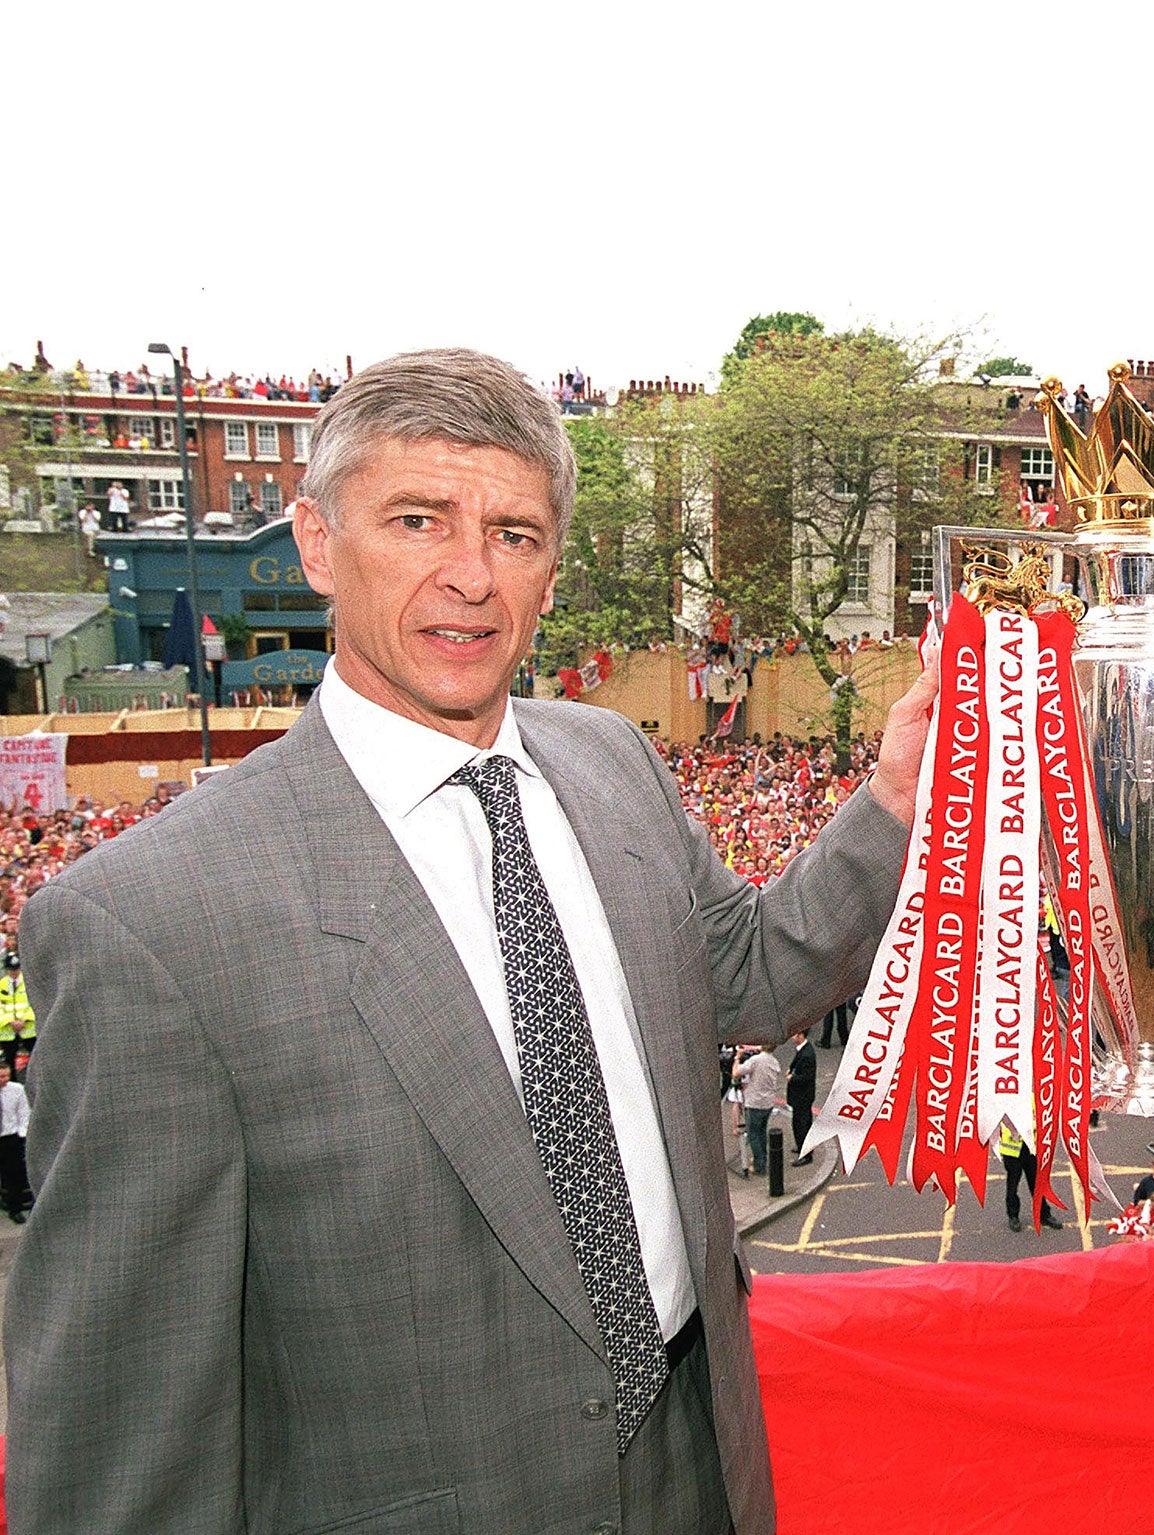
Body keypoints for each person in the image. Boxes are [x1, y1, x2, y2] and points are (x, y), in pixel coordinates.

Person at [8, 348, 937, 1534]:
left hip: (700, 1467)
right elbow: (121, 1446)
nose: (471, 577)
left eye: (514, 533)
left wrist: (895, 800)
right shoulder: (148, 922)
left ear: (551, 570)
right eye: (417, 519)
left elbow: (754, 972)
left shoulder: (610, 761)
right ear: (315, 544)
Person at [997, 1120, 1062, 1233]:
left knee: (1036, 1184)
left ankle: (1044, 1214)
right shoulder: (1005, 1101)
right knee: (1012, 1186)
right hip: (1011, 1150)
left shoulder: (1032, 1101)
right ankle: (1013, 1216)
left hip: (1030, 1147)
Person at [733, 1045, 783, 1178]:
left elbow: (736, 1073)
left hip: (754, 1103)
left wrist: (737, 1057)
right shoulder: (774, 1062)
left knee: (753, 1135)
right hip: (768, 1103)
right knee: (762, 1132)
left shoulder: (755, 1061)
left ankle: (759, 1165)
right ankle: (763, 1160)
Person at [0, 1058, 28, 1222]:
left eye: (6, 1076)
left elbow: (23, 1112)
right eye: (1, 1077)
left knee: (13, 1174)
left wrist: (21, 1134)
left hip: (10, 1136)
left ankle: (14, 1208)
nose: (4, 1080)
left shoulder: (17, 1090)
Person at [786, 1029, 817, 1166]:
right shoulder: (803, 1050)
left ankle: (806, 1155)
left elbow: (806, 1077)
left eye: (795, 1034)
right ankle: (801, 1147)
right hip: (802, 1096)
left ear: (801, 1035)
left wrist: (792, 1077)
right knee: (800, 1123)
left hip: (802, 1096)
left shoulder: (807, 1055)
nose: (793, 1037)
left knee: (801, 1124)